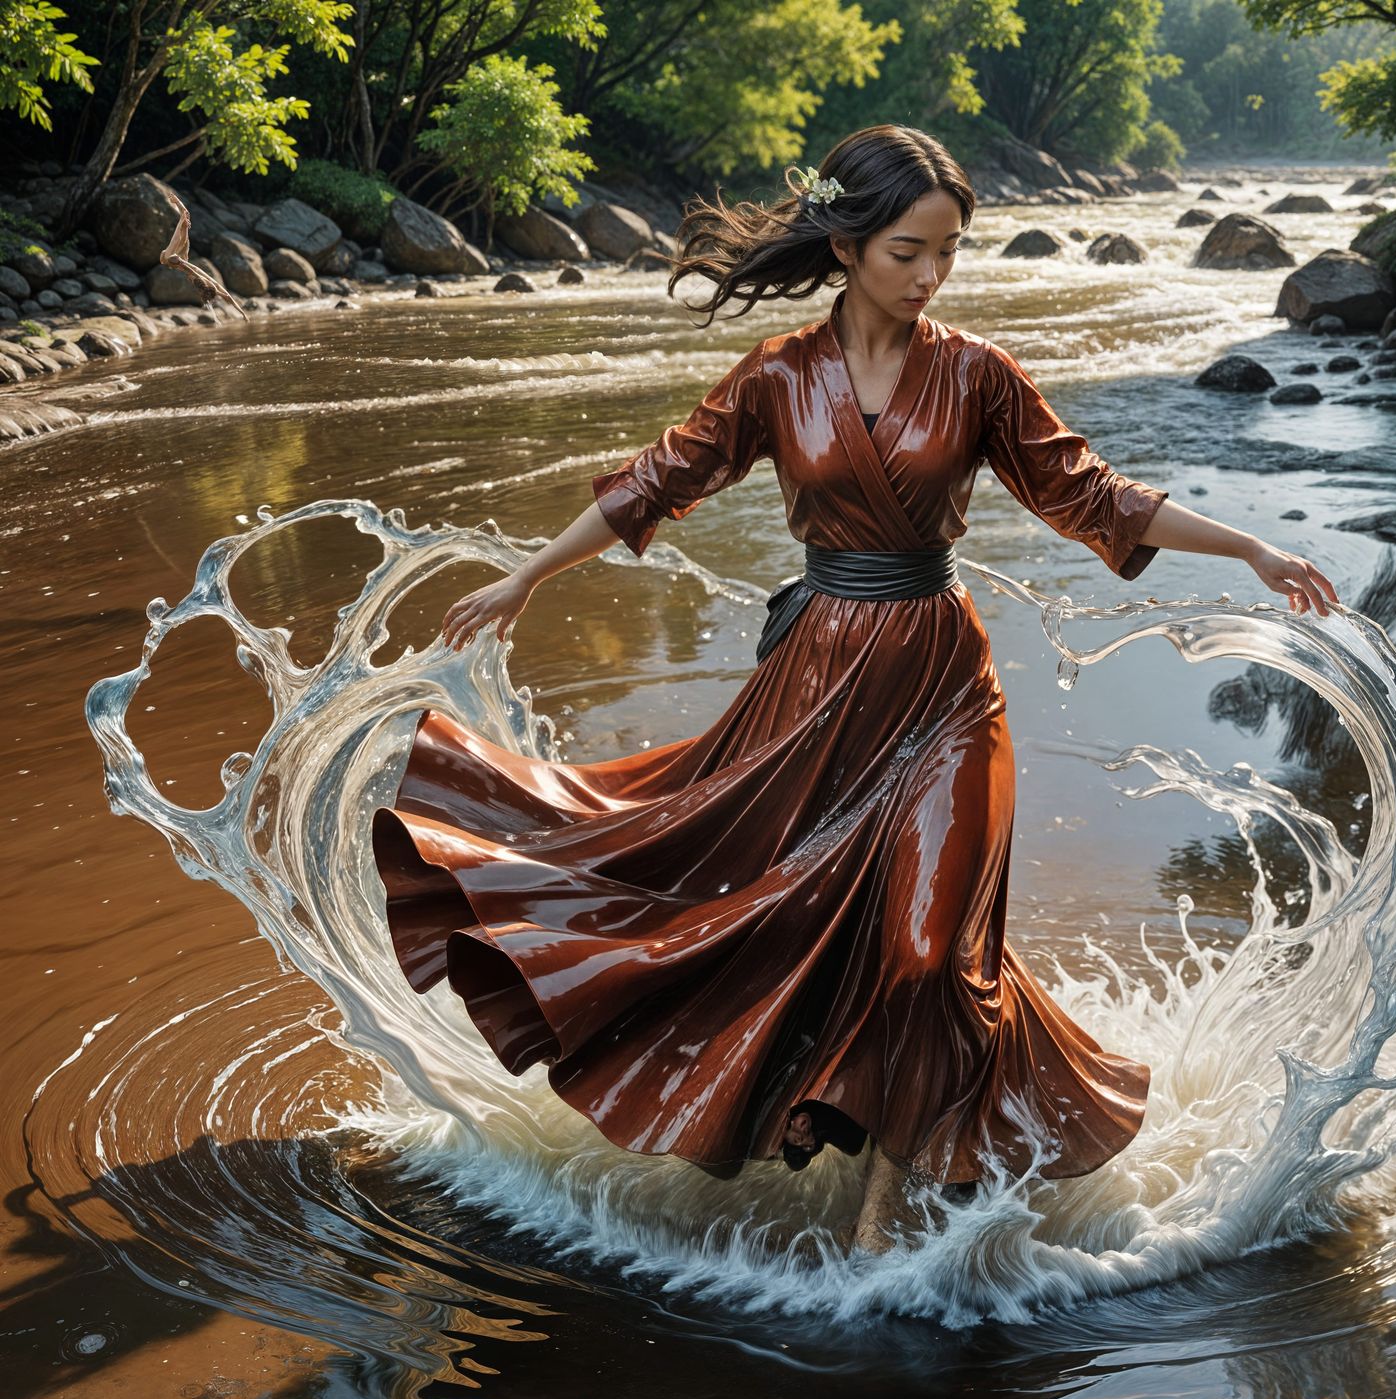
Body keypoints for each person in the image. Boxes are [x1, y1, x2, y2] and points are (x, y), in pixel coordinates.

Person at [372, 124, 1341, 1257]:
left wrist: (1250, 552)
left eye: (947, 252)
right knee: (766, 913)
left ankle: (883, 1237)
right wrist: (528, 574)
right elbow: (659, 477)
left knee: (931, 951)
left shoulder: (977, 372)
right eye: (905, 251)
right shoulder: (779, 376)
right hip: (817, 687)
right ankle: (822, 1124)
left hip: (943, 682)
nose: (929, 275)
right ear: (845, 244)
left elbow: (1093, 494)